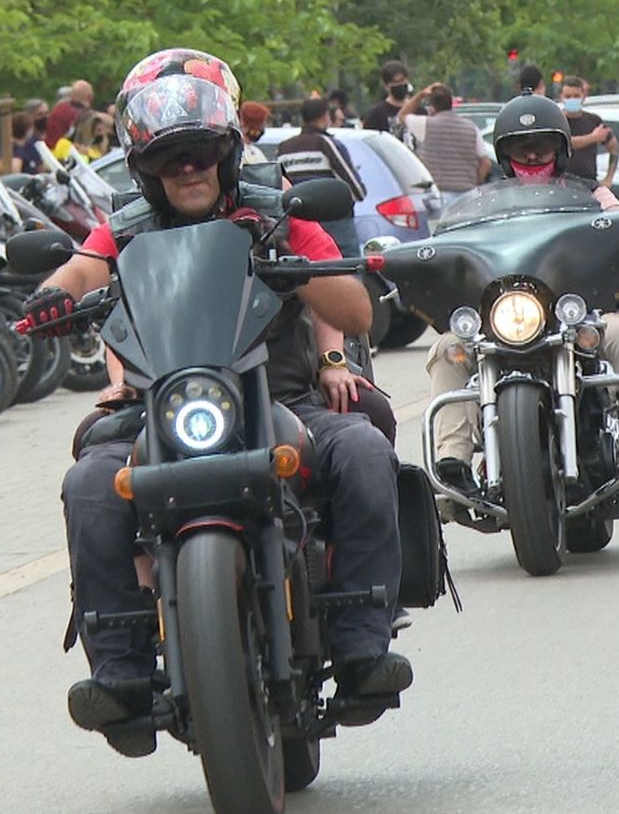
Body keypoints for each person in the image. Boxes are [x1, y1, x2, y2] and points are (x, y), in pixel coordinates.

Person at [25, 48, 409, 756]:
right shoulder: (130, 225)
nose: (189, 170)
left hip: (281, 395)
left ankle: (362, 641)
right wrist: (54, 294)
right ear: (147, 168)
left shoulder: (274, 211)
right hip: (163, 407)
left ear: (226, 152)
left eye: (201, 154)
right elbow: (83, 265)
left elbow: (355, 312)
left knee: (362, 447)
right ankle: (121, 673)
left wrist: (288, 262)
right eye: (172, 160)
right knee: (88, 482)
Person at [426, 93, 619, 505]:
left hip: (582, 312)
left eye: (541, 145)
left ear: (560, 150)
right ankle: (450, 461)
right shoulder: (480, 206)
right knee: (449, 349)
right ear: (504, 155)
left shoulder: (590, 194)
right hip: (504, 318)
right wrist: (422, 256)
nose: (532, 154)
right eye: (522, 147)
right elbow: (447, 241)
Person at [277, 98, 367, 254]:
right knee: (347, 271)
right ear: (326, 116)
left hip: (300, 230)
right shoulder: (327, 144)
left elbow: (279, 186)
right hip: (335, 226)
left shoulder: (284, 148)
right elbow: (356, 190)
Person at [397, 82, 489, 203]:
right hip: (467, 195)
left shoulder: (425, 125)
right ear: (451, 102)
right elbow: (486, 163)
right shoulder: (471, 128)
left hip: (439, 194)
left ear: (432, 107)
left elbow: (402, 115)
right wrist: (477, 182)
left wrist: (420, 95)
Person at [559, 76, 619, 187]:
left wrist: (609, 178)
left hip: (589, 184)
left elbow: (614, 147)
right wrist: (593, 137)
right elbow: (566, 143)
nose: (572, 99)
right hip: (561, 185)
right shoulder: (557, 120)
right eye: (568, 96)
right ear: (561, 97)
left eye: (576, 96)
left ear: (583, 96)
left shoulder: (593, 121)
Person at [363, 60, 411, 133]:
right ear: (386, 86)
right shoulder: (376, 114)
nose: (400, 85)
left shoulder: (419, 110)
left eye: (402, 80)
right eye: (395, 82)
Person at [45, 80, 93, 147]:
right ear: (89, 97)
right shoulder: (85, 116)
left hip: (48, 149)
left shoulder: (58, 108)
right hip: (68, 151)